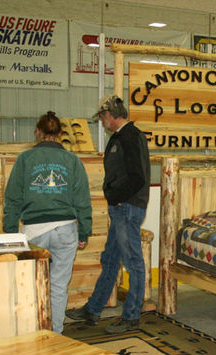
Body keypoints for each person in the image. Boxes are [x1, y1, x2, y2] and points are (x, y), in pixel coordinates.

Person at [66, 95, 150, 334]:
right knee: (111, 259)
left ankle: (132, 315)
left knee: (133, 263)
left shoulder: (131, 137)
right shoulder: (122, 136)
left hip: (126, 207)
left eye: (102, 117)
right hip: (121, 207)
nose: (102, 122)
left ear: (110, 114)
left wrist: (117, 196)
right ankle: (93, 310)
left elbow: (137, 177)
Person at [3, 111, 92, 334]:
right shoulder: (72, 160)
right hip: (66, 230)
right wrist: (85, 232)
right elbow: (82, 199)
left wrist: (11, 233)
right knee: (59, 287)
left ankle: (31, 332)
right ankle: (55, 335)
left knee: (31, 287)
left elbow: (13, 199)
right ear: (60, 134)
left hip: (34, 231)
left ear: (38, 133)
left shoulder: (25, 159)